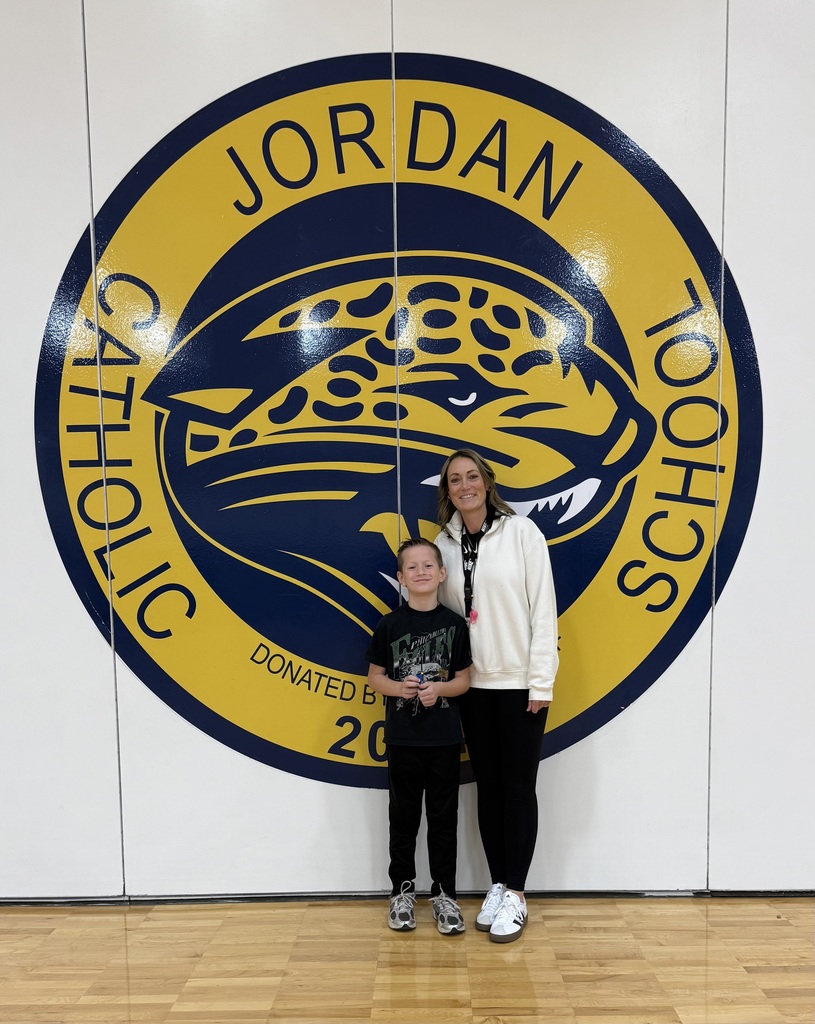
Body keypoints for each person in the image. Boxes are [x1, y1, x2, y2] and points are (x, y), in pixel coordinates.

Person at [434, 449, 558, 943]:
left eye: (472, 477)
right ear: (447, 492)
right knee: (487, 788)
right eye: (454, 480)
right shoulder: (442, 546)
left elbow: (543, 610)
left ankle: (519, 894)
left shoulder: (522, 533)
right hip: (471, 687)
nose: (465, 486)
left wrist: (541, 681)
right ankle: (499, 884)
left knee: (517, 788)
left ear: (487, 482)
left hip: (518, 685)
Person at [366, 538, 472, 935]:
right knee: (404, 818)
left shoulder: (455, 624)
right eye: (412, 567)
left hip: (444, 739)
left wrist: (438, 690)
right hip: (403, 739)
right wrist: (400, 688)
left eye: (429, 565)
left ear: (442, 574)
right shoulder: (389, 625)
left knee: (444, 819)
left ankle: (445, 895)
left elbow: (463, 680)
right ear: (401, 578)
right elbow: (375, 676)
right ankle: (402, 892)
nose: (421, 572)